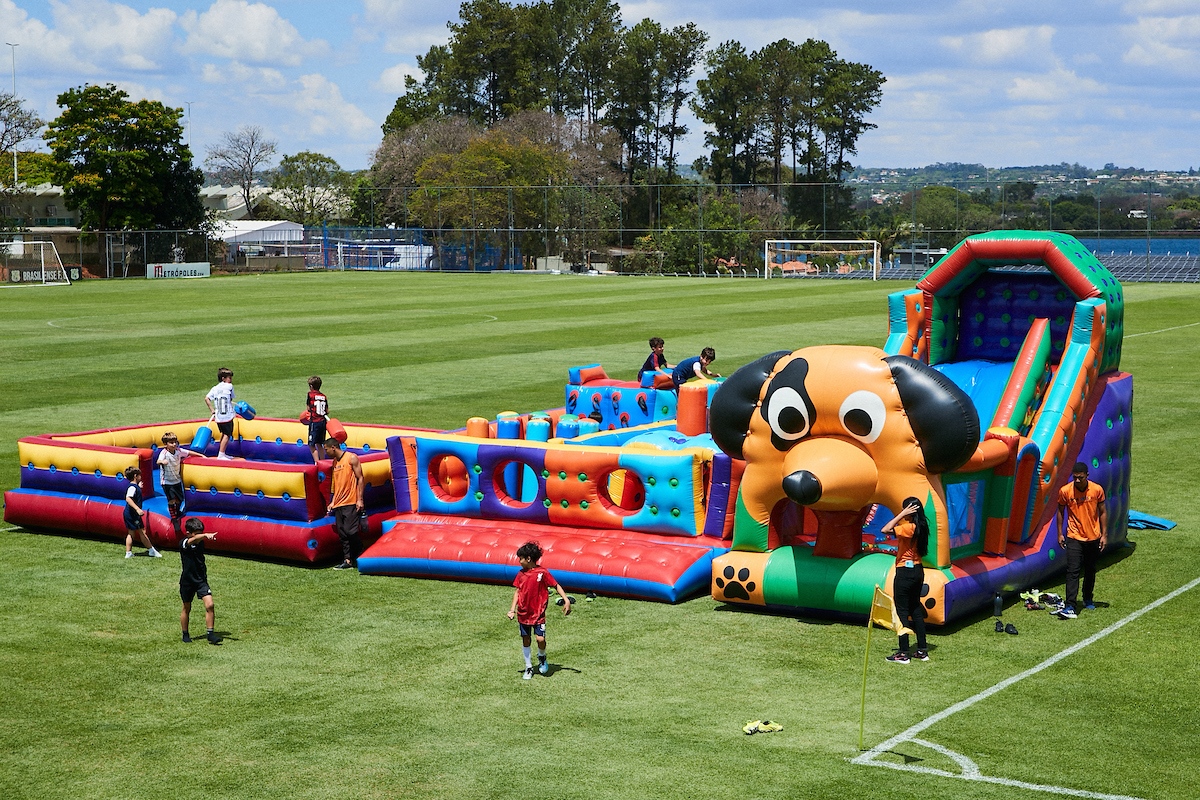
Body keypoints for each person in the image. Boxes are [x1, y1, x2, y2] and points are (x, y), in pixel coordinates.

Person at [507, 541, 571, 679]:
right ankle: (528, 667)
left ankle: (542, 656)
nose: (519, 561)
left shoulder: (542, 573)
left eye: (520, 558)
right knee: (526, 639)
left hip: (538, 614)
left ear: (528, 559)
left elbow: (556, 585)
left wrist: (566, 600)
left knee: (540, 639)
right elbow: (518, 592)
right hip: (523, 614)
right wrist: (512, 609)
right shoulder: (520, 575)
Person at [880, 497, 930, 664]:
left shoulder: (908, 528)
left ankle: (903, 652)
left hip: (905, 572)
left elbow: (885, 529)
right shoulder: (922, 526)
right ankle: (922, 649)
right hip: (918, 570)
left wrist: (901, 514)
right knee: (915, 607)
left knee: (902, 610)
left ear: (909, 510)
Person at [1055, 462, 1108, 619]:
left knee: (1090, 569)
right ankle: (1070, 605)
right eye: (1075, 477)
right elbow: (1060, 511)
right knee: (1073, 571)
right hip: (1074, 536)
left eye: (1080, 478)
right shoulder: (1065, 491)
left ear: (1087, 476)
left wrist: (1104, 535)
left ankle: (1087, 598)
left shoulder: (1097, 490)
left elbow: (1103, 512)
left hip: (1093, 536)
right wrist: (1059, 533)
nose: (1077, 481)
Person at [324, 438, 364, 570]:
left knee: (350, 531)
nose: (326, 452)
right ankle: (347, 561)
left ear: (334, 447)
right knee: (342, 534)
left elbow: (360, 478)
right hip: (339, 503)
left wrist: (360, 499)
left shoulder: (351, 458)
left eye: (326, 449)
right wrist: (333, 501)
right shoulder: (335, 463)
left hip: (351, 501)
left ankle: (361, 553)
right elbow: (337, 486)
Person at [179, 518, 219, 644]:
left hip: (201, 580)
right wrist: (205, 535)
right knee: (187, 607)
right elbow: (193, 541)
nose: (200, 535)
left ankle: (210, 634)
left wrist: (203, 536)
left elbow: (197, 540)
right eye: (197, 533)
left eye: (201, 532)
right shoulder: (184, 543)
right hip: (187, 581)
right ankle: (185, 634)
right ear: (188, 533)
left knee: (210, 605)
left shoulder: (200, 541)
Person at [157, 432, 197, 535]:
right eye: (171, 443)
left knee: (180, 499)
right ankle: (174, 519)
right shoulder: (164, 453)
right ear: (166, 444)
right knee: (171, 500)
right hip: (167, 481)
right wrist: (162, 462)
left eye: (175, 442)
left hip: (177, 480)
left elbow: (189, 453)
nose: (174, 444)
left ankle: (177, 511)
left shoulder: (178, 451)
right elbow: (158, 461)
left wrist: (202, 456)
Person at [123, 466, 161, 559]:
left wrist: (139, 487)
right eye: (140, 475)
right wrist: (137, 509)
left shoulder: (134, 487)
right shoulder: (132, 488)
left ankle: (128, 553)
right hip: (132, 514)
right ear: (136, 476)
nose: (141, 477)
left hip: (129, 513)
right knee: (141, 532)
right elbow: (128, 498)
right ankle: (151, 550)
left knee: (131, 532)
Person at [204, 367, 236, 460]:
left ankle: (222, 453)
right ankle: (221, 455)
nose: (231, 380)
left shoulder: (215, 388)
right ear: (223, 378)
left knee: (224, 433)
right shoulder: (229, 386)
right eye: (229, 378)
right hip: (227, 415)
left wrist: (212, 409)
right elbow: (231, 397)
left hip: (218, 416)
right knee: (227, 434)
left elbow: (207, 398)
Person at [306, 376, 329, 463]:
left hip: (314, 422)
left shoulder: (310, 395)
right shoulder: (324, 396)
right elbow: (327, 411)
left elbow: (308, 408)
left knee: (311, 444)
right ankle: (323, 462)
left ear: (311, 386)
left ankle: (317, 463)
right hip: (323, 422)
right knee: (320, 443)